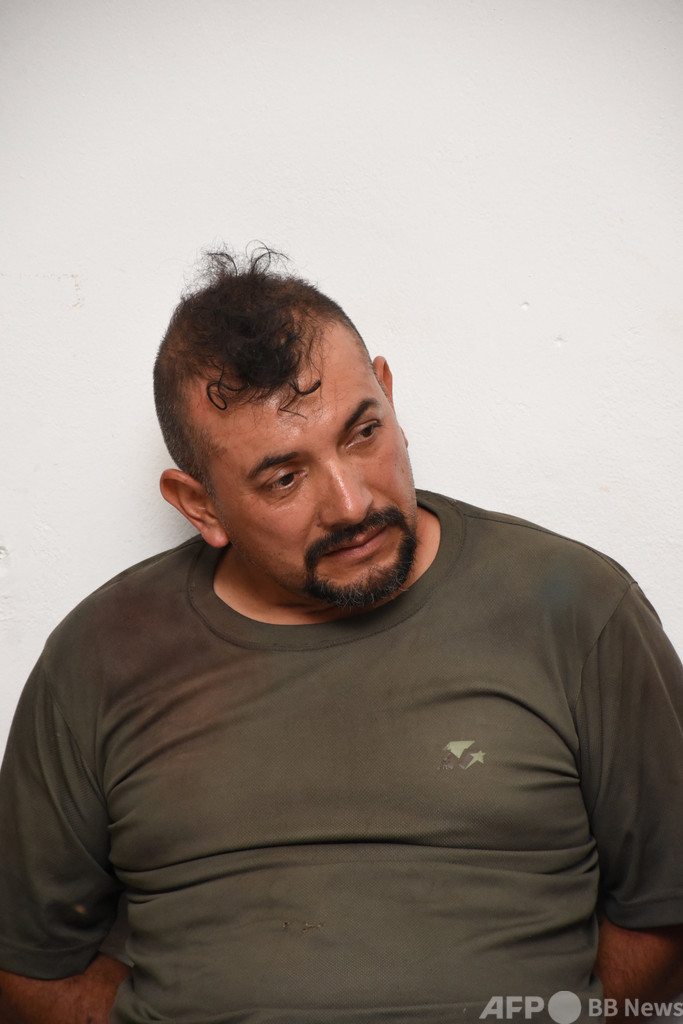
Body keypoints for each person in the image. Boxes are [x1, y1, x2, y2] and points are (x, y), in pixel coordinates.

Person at [1, 248, 683, 1024]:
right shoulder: (101, 654)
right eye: (284, 478)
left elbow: (665, 907)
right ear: (200, 506)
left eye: (362, 432)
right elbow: (29, 963)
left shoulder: (574, 606)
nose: (351, 503)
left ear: (388, 393)